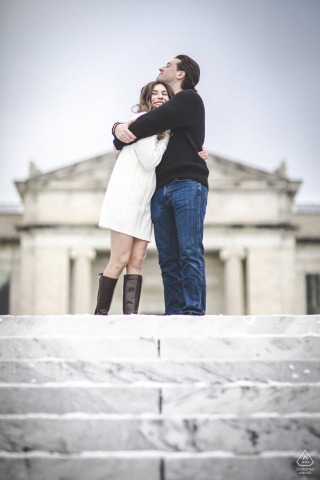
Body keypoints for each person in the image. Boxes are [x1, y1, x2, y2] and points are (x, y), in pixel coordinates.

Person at [113, 55, 209, 315]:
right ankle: (174, 312)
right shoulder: (169, 112)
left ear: (180, 74)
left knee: (189, 251)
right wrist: (118, 130)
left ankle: (192, 312)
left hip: (187, 184)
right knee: (167, 258)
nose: (161, 67)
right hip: (160, 188)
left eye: (168, 65)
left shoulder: (188, 99)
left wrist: (119, 132)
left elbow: (149, 123)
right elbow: (149, 127)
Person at [95, 81, 174, 315]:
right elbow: (150, 160)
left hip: (143, 203)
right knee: (119, 259)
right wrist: (167, 135)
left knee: (136, 261)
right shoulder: (144, 122)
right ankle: (100, 315)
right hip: (125, 198)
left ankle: (130, 316)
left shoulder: (158, 129)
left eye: (164, 94)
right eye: (155, 93)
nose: (160, 97)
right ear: (147, 99)